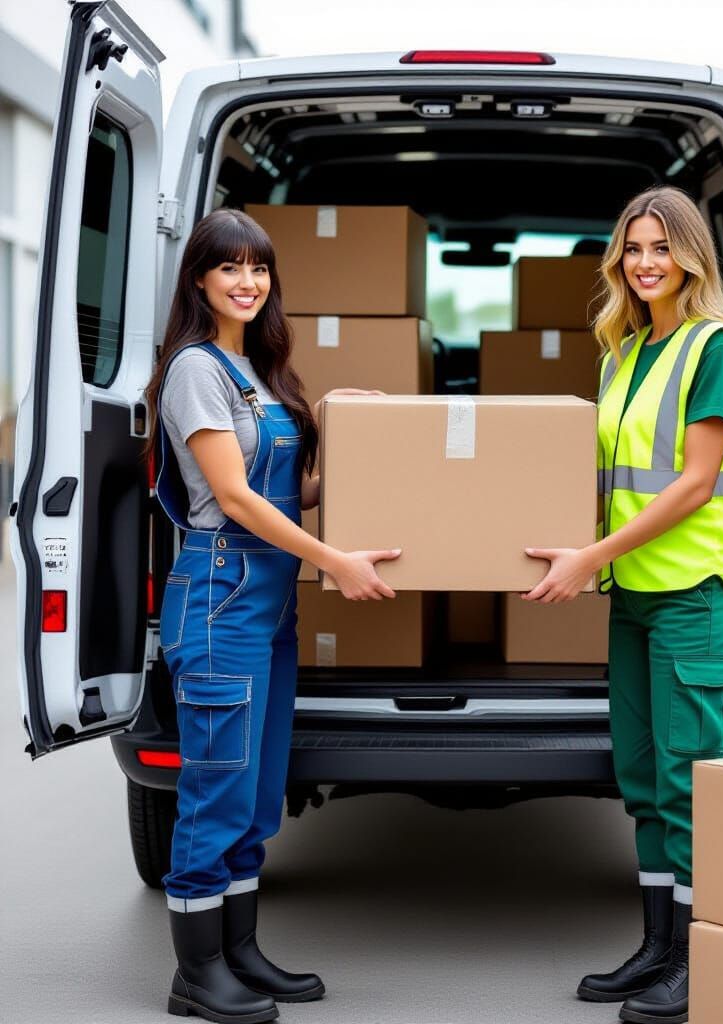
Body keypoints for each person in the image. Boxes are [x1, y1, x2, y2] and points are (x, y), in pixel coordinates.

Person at [144, 208, 399, 1023]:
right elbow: (231, 497)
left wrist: (354, 436)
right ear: (199, 279)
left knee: (254, 796)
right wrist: (336, 563)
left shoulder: (254, 370)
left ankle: (242, 953)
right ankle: (196, 976)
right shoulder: (195, 369)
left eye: (259, 268)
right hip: (219, 598)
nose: (248, 282)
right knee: (215, 790)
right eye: (230, 268)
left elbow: (289, 492)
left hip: (268, 603)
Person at [524, 185, 723, 1024]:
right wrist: (562, 546)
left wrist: (591, 555)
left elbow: (696, 483)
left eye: (662, 246)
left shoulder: (715, 349)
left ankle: (701, 962)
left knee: (693, 784)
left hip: (697, 591)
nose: (647, 262)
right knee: (645, 781)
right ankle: (658, 947)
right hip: (636, 594)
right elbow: (608, 481)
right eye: (634, 248)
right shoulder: (622, 354)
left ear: (692, 254)